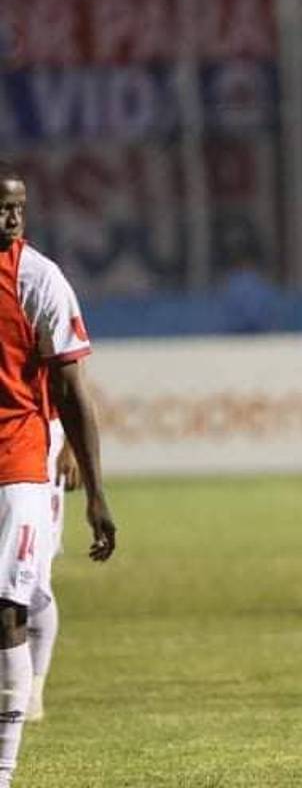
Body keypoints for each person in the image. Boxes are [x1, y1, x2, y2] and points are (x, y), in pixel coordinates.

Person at [0, 164, 116, 786]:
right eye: (2, 208)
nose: (11, 219)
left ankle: (10, 750)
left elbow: (71, 385)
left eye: (18, 208)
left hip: (21, 460)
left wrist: (90, 481)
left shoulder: (38, 277)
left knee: (19, 596)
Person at [26, 411, 79, 722]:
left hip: (41, 440)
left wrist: (71, 446)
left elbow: (71, 383)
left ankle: (32, 690)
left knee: (34, 575)